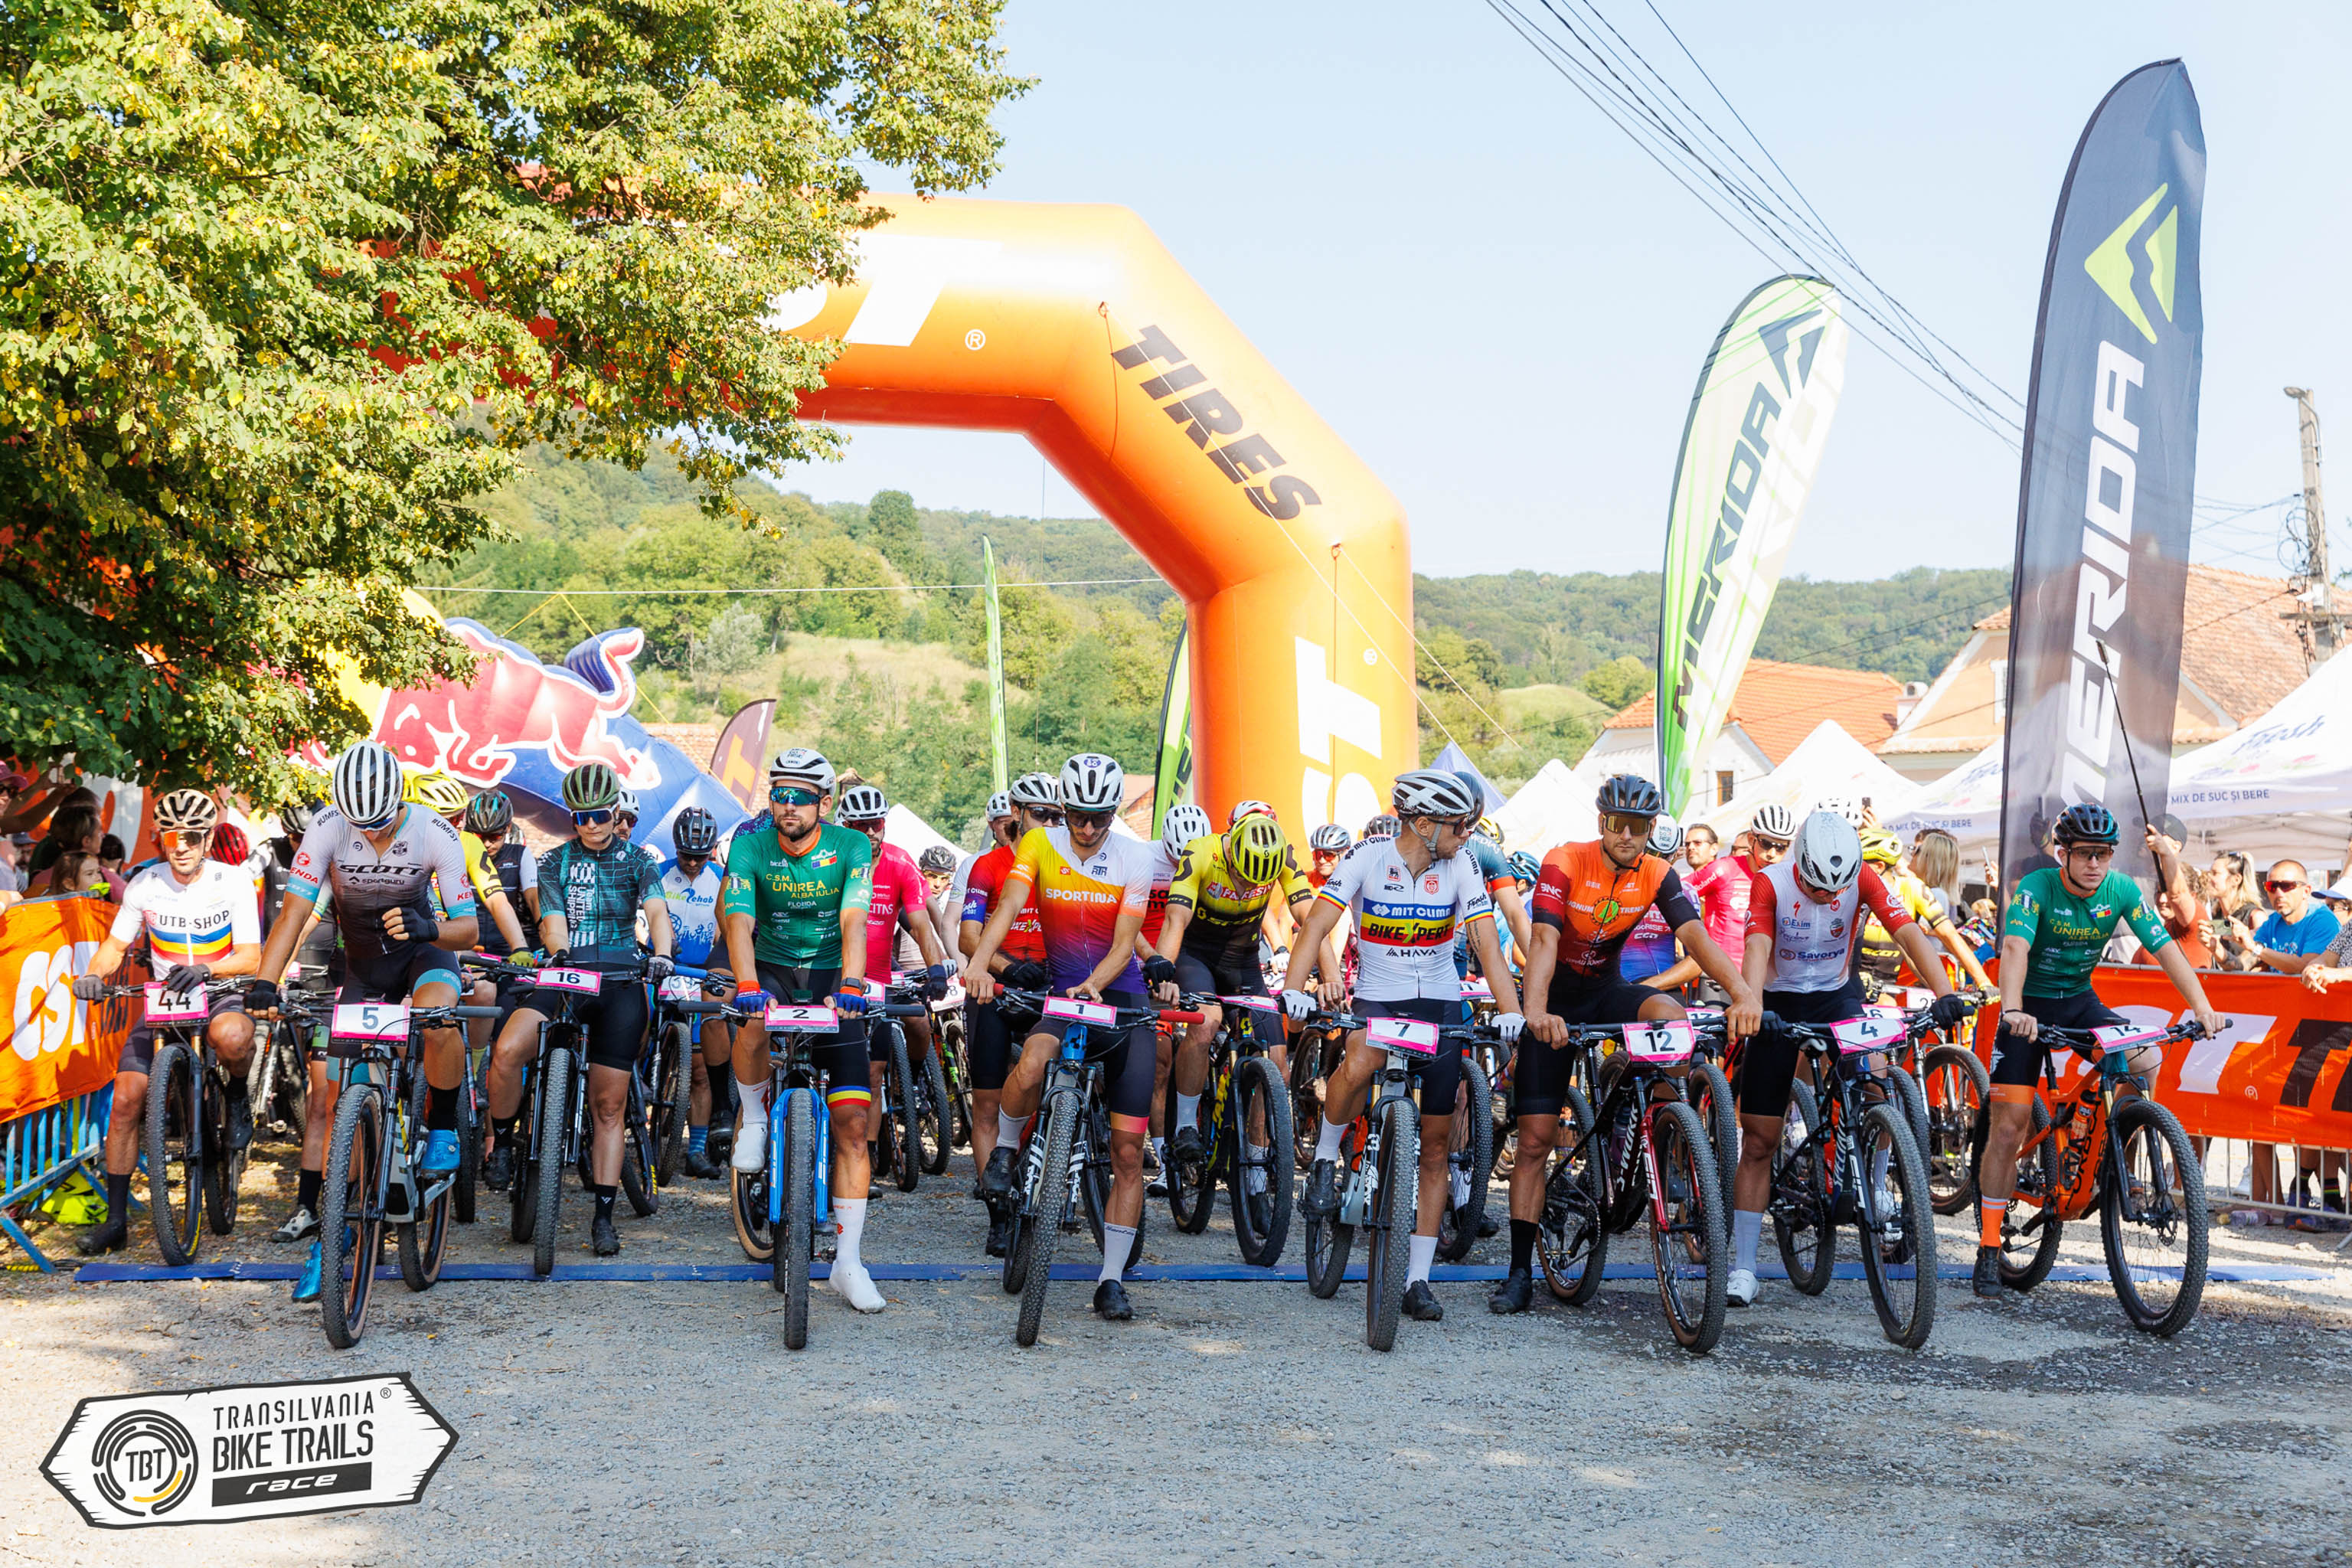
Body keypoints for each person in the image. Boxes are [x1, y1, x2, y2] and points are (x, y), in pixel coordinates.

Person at [1494, 774, 1758, 1315]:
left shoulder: (1657, 872)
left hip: (1607, 991)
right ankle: (1520, 1271)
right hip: (1555, 997)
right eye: (1618, 824)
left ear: (1651, 829)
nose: (1628, 836)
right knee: (1535, 1142)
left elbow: (1695, 936)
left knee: (1670, 1016)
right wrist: (1536, 1012)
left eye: (1639, 827)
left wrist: (1743, 995)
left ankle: (1663, 1128)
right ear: (1602, 823)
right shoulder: (1565, 860)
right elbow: (1543, 937)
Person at [1276, 770, 1522, 1326]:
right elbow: (1315, 926)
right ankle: (1325, 1158)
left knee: (1434, 1148)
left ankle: (1417, 1280)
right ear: (1424, 824)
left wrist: (1510, 1009)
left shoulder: (1461, 863)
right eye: (1459, 825)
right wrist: (1294, 989)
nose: (1467, 835)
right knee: (1360, 1057)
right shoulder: (1367, 857)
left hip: (1438, 1002)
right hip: (1380, 996)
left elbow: (1485, 940)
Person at [243, 741, 482, 1299]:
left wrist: (429, 928)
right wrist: (265, 981)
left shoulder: (435, 831)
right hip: (366, 969)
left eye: (380, 823)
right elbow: (294, 912)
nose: (371, 835)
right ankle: (335, 1237)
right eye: (361, 825)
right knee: (338, 1099)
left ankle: (444, 1126)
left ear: (399, 801)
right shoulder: (326, 827)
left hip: (423, 953)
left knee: (438, 1017)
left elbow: (468, 929)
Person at [1978, 803, 2223, 1298]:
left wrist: (2202, 1006)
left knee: (2145, 1059)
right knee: (2007, 1128)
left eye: (2104, 854)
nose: (2095, 863)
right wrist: (2013, 1008)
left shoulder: (2122, 890)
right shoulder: (2036, 889)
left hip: (2079, 1002)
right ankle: (1987, 1246)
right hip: (2027, 1005)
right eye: (2086, 853)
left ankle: (2114, 1151)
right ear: (2062, 853)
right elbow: (2015, 950)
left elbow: (2165, 947)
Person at [1727, 811, 1972, 1306]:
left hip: (1836, 996)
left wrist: (1944, 992)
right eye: (1819, 888)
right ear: (1800, 866)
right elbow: (1756, 946)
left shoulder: (1861, 876)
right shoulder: (1771, 882)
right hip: (1777, 1001)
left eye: (1837, 889)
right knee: (1759, 1140)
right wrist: (1750, 1003)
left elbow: (1907, 932)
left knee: (1878, 1080)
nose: (1829, 897)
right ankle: (1744, 1266)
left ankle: (1876, 1182)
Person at [966, 753, 1161, 1322]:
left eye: (1100, 817)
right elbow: (1008, 907)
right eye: (1078, 816)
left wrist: (1096, 984)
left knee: (1127, 1153)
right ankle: (1006, 1151)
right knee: (1031, 1060)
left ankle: (1111, 1278)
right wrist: (979, 962)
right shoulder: (1039, 844)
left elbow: (1125, 943)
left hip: (1120, 1000)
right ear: (1064, 809)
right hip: (1065, 994)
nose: (1088, 828)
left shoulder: (1134, 857)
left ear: (1114, 812)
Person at [480, 761, 675, 1259]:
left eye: (600, 815)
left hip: (621, 981)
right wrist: (560, 951)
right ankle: (503, 1139)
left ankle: (604, 1217)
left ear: (616, 812)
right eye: (581, 817)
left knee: (609, 1108)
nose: (590, 825)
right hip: (568, 972)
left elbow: (656, 911)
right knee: (507, 1052)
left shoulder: (639, 861)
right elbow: (552, 919)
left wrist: (662, 954)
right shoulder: (555, 862)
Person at [717, 749, 887, 1312]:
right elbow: (739, 919)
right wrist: (746, 984)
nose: (787, 806)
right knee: (750, 1021)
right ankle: (755, 1118)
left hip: (832, 972)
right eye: (779, 795)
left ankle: (848, 1263)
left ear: (825, 803)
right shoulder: (751, 844)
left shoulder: (851, 846)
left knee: (853, 1124)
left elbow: (853, 918)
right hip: (771, 967)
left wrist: (854, 984)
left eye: (800, 797)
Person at [67, 791, 263, 1255]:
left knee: (232, 1037)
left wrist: (207, 969)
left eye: (192, 837)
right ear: (162, 840)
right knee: (125, 1100)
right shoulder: (145, 884)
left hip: (218, 990)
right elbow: (115, 946)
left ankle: (237, 1095)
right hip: (166, 1000)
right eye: (173, 837)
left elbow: (250, 956)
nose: (182, 847)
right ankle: (116, 1221)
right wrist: (94, 975)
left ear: (207, 839)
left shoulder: (232, 881)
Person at [1153, 811, 1325, 1236]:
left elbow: (1312, 919)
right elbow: (1175, 920)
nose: (1248, 889)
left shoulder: (1281, 855)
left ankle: (1256, 1179)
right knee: (1207, 1021)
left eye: (1257, 885)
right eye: (1243, 879)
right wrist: (1164, 972)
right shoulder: (1202, 852)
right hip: (1196, 958)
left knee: (1277, 1061)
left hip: (1244, 963)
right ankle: (1186, 1124)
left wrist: (1331, 977)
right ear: (1231, 851)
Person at [958, 773, 1062, 1255]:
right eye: (1041, 815)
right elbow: (968, 937)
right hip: (998, 987)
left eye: (1057, 816)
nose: (1050, 824)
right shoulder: (989, 866)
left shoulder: (1066, 865)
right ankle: (997, 1214)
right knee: (987, 1104)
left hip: (1051, 985)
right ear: (1016, 814)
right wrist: (1006, 967)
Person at [833, 783, 952, 1144]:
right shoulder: (830, 862)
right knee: (835, 1072)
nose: (871, 831)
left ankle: (869, 1149)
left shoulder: (900, 863)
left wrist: (936, 968)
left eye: (878, 823)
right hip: (833, 978)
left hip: (878, 979)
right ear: (845, 826)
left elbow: (921, 924)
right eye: (861, 825)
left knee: (877, 1070)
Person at [1140, 801, 1214, 1197]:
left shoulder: (1212, 861)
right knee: (1160, 1062)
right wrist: (1148, 962)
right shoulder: (1144, 860)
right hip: (1146, 963)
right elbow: (1125, 918)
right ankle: (1164, 1159)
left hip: (1189, 963)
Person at [661, 805, 731, 1180]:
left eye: (700, 856)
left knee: (701, 1070)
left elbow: (726, 931)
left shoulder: (721, 879)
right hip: (662, 972)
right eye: (686, 854)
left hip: (703, 976)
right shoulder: (658, 874)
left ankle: (697, 1149)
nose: (691, 862)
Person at [1680, 802, 1789, 1007]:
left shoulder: (1785, 880)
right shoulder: (1724, 869)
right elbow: (1676, 894)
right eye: (1766, 844)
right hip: (1717, 980)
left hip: (1760, 983)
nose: (1772, 854)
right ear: (1752, 840)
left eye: (1781, 847)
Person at [2223, 861, 2339, 975]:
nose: (2278, 894)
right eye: (2271, 886)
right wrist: (2216, 949)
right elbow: (2241, 965)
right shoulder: (2273, 922)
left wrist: (2254, 947)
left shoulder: (2322, 920)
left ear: (2306, 891)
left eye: (2286, 886)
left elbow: (2307, 967)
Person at [2199, 851, 2265, 971]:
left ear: (2236, 879)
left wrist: (2217, 950)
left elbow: (2246, 964)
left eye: (2215, 873)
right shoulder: (2216, 916)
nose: (2208, 878)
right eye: (2209, 873)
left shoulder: (2255, 916)